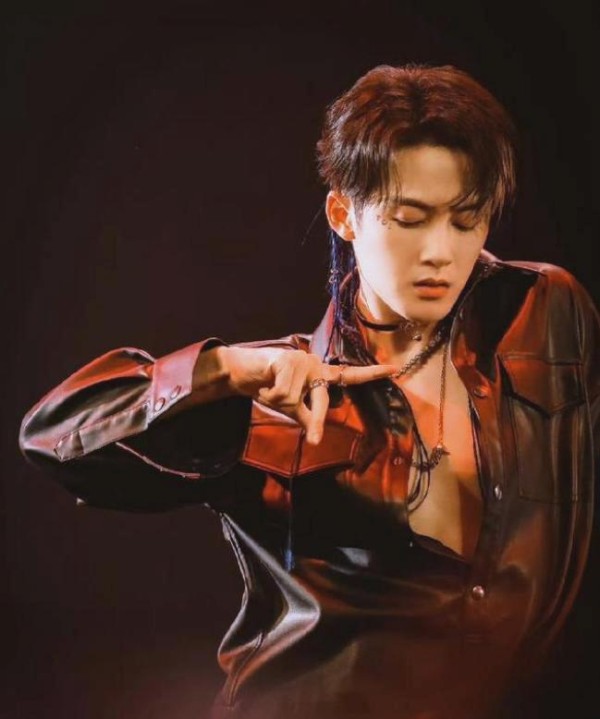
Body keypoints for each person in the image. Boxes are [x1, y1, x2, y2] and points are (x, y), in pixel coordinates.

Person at [19, 64, 600, 719]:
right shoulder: (276, 395)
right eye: (409, 219)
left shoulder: (546, 316)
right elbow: (52, 437)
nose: (441, 251)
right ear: (344, 214)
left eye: (466, 220)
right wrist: (225, 370)